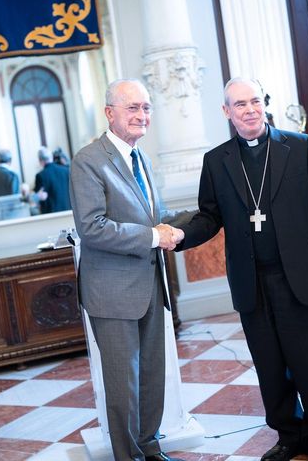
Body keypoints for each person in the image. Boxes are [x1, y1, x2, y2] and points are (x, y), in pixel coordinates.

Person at [176, 78, 308, 461]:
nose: (249, 110)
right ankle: (288, 435)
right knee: (270, 366)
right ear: (226, 112)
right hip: (252, 282)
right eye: (240, 104)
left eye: (255, 101)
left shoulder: (298, 146)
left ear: (264, 105)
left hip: (299, 276)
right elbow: (208, 217)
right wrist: (178, 236)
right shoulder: (216, 161)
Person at [70, 79, 187, 461]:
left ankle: (150, 447)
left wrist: (200, 220)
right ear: (110, 113)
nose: (142, 115)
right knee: (124, 383)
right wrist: (155, 236)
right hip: (112, 292)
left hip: (151, 286)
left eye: (146, 108)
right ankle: (129, 456)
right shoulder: (89, 160)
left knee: (153, 374)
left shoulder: (142, 158)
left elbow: (159, 217)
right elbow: (92, 227)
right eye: (132, 108)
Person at [34, 146, 71, 214]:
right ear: (51, 157)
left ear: (40, 161)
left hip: (51, 215)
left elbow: (39, 196)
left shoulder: (40, 176)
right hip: (69, 211)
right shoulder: (66, 171)